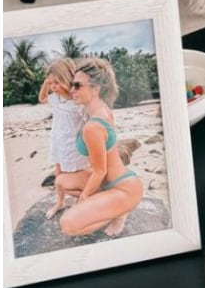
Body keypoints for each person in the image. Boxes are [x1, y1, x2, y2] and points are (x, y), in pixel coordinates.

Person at [56, 57, 143, 238]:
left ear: (95, 89)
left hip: (124, 188)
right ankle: (108, 204)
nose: (72, 90)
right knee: (61, 181)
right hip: (110, 182)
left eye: (77, 86)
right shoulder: (100, 109)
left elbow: (99, 171)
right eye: (72, 85)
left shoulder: (93, 126)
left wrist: (83, 198)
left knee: (67, 226)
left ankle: (120, 212)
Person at [38, 58, 90, 219]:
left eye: (56, 83)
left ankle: (82, 201)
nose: (53, 87)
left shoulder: (78, 102)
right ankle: (60, 202)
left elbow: (90, 123)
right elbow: (41, 98)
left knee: (76, 175)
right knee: (59, 173)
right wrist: (46, 83)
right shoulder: (55, 98)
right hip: (58, 143)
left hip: (74, 146)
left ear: (68, 80)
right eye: (51, 83)